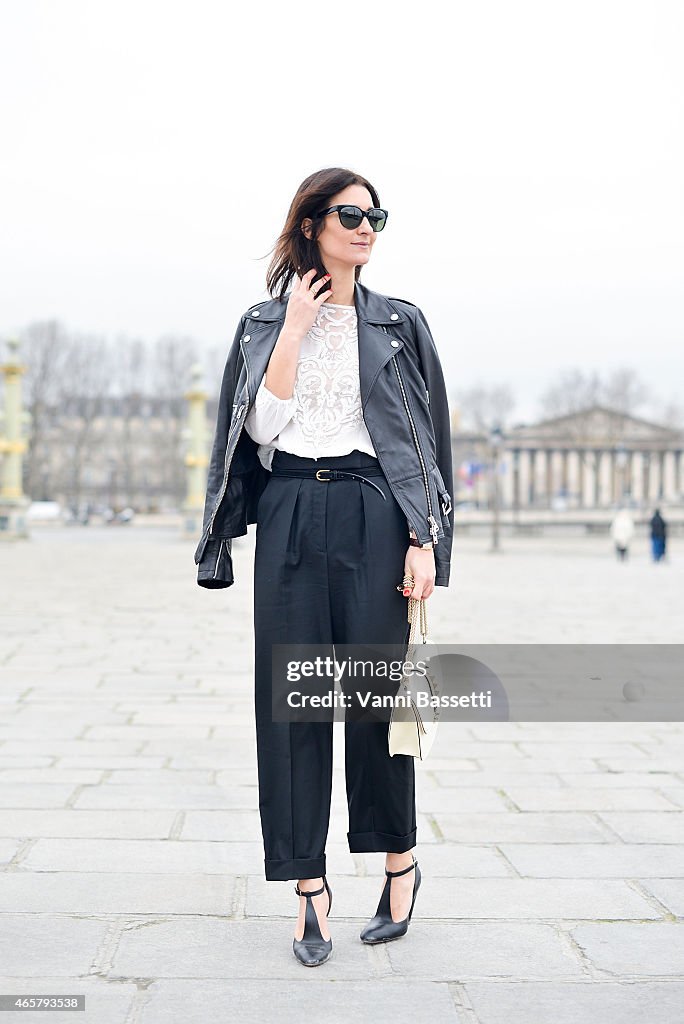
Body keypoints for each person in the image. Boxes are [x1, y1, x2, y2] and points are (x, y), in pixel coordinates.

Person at [194, 167, 454, 966]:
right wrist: (297, 330)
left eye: (376, 214)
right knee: (293, 707)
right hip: (291, 512)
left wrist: (426, 541)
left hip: (376, 513)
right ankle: (310, 888)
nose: (368, 225)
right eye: (351, 212)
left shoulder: (402, 323)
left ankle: (398, 861)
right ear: (311, 223)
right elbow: (261, 427)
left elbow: (429, 441)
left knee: (379, 701)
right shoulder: (262, 323)